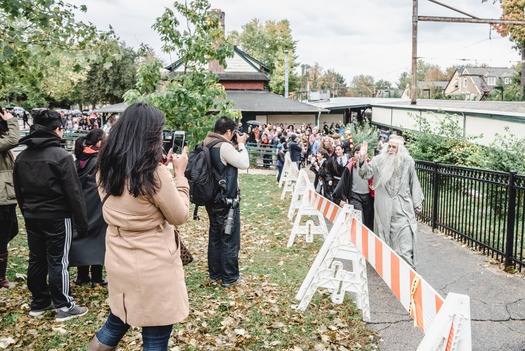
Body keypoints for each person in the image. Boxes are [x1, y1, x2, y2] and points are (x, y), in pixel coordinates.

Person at [88, 103, 190, 351]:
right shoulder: (153, 174)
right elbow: (179, 215)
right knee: (155, 335)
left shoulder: (105, 166)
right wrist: (180, 176)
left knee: (116, 322)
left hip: (118, 255)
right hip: (152, 264)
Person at [13, 109, 89, 321]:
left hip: (32, 215)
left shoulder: (22, 157)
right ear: (56, 129)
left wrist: (26, 210)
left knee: (36, 258)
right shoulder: (62, 157)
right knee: (58, 260)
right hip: (57, 216)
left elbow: (18, 190)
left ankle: (39, 302)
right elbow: (74, 193)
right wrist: (82, 222)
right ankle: (64, 306)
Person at [357, 135, 424, 269]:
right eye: (389, 146)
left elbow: (414, 183)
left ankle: (408, 271)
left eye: (394, 147)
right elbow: (366, 174)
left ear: (400, 150)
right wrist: (362, 159)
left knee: (406, 240)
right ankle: (391, 271)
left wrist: (417, 203)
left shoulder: (408, 162)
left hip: (403, 208)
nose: (391, 150)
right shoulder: (378, 160)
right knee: (385, 240)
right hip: (383, 210)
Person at [203, 116, 249, 288]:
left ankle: (215, 275)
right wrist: (242, 144)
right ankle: (230, 278)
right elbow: (244, 163)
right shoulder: (224, 146)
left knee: (215, 236)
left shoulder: (207, 143)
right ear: (229, 132)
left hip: (211, 198)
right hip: (226, 200)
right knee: (229, 238)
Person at [70, 129, 108, 288]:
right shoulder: (99, 160)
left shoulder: (77, 160)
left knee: (82, 238)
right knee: (98, 240)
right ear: (98, 142)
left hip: (80, 205)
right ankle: (97, 277)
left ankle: (82, 276)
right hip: (97, 205)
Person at [0, 108, 20, 289]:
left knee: (11, 230)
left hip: (6, 196)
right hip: (1, 199)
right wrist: (12, 120)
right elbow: (14, 139)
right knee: (3, 235)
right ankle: (1, 279)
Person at [332, 144, 374, 230]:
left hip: (368, 197)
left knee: (368, 220)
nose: (359, 155)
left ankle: (366, 240)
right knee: (358, 217)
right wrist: (338, 199)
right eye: (357, 153)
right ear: (353, 154)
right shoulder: (350, 167)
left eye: (361, 153)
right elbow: (342, 183)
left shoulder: (370, 166)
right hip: (355, 196)